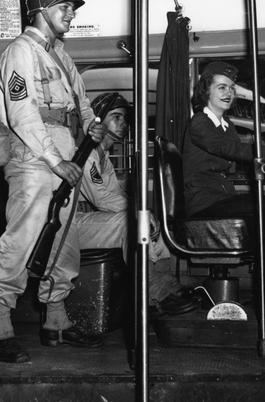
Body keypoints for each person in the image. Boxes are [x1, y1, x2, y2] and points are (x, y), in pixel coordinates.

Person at [0, 0, 107, 363]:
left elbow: (81, 104)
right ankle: (0, 324)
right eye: (63, 6)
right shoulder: (20, 51)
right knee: (24, 235)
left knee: (63, 237)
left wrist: (90, 124)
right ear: (40, 10)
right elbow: (22, 112)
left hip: (67, 154)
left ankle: (56, 320)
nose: (70, 13)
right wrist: (55, 160)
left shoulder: (63, 57)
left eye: (72, 7)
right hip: (35, 157)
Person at [181, 60, 265, 360]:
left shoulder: (226, 125)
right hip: (205, 205)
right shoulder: (199, 123)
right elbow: (232, 151)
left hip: (218, 199)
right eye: (222, 87)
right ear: (205, 91)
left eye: (232, 88)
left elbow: (242, 151)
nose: (229, 92)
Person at [77, 92, 200, 315]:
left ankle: (168, 285)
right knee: (134, 224)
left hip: (88, 222)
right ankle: (153, 296)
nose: (123, 124)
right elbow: (100, 198)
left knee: (149, 218)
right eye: (116, 117)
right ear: (97, 122)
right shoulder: (87, 153)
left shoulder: (103, 157)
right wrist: (138, 213)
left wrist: (144, 212)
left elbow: (114, 195)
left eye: (124, 118)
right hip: (71, 226)